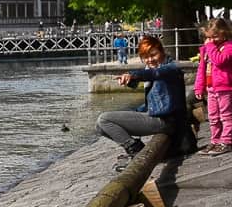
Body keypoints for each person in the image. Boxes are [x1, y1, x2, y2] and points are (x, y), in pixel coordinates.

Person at [96, 34, 188, 170]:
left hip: (166, 121)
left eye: (153, 54)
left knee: (104, 119)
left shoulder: (171, 69)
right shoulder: (152, 70)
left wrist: (133, 75)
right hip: (159, 118)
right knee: (100, 127)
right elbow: (153, 102)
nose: (150, 60)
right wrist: (134, 112)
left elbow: (156, 73)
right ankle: (136, 150)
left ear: (162, 51)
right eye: (145, 57)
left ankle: (137, 152)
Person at [194, 17, 232, 156]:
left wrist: (209, 47)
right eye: (209, 37)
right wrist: (199, 87)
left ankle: (226, 141)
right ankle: (215, 140)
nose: (212, 40)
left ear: (224, 32)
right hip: (211, 89)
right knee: (213, 116)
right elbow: (202, 68)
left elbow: (220, 61)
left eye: (215, 36)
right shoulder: (208, 49)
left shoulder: (228, 47)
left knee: (226, 116)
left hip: (225, 88)